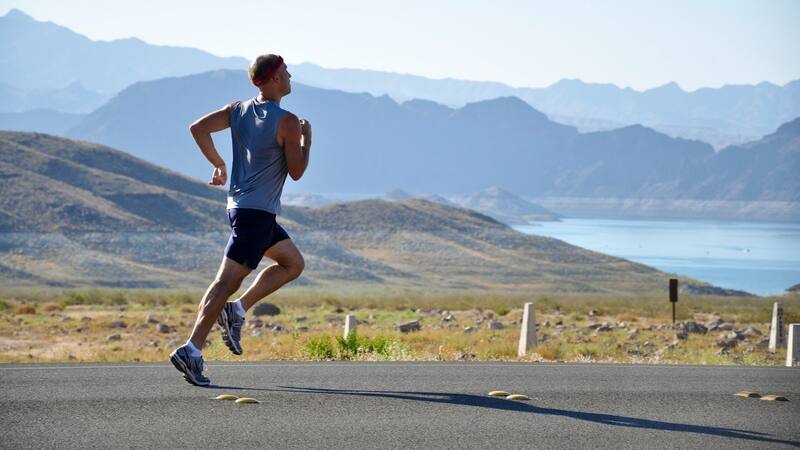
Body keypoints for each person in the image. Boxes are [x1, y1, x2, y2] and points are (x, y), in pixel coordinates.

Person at [170, 54, 312, 386]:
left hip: (243, 209)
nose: (291, 77)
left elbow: (198, 128)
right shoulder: (288, 122)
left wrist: (218, 163)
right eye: (287, 72)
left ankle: (237, 310)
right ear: (275, 78)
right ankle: (191, 350)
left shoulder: (238, 109)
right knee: (224, 283)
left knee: (292, 263)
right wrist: (307, 140)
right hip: (256, 214)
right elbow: (297, 171)